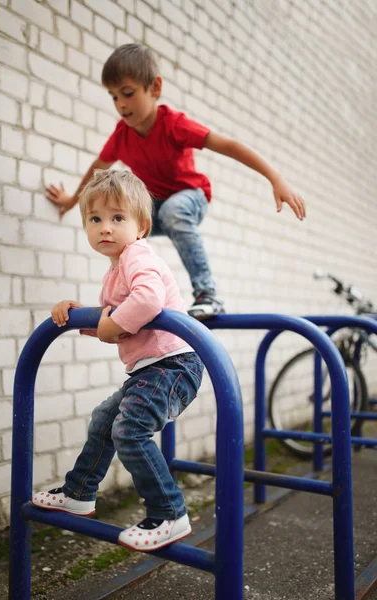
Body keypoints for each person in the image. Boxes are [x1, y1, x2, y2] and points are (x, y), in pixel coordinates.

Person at [46, 43, 306, 319]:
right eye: (113, 97)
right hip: (155, 209)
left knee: (173, 212)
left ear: (154, 88)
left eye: (128, 93)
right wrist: (72, 201)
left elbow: (228, 145)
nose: (120, 104)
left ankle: (208, 294)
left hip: (190, 196)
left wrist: (275, 178)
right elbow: (97, 170)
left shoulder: (174, 125)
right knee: (122, 226)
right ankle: (132, 294)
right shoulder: (122, 136)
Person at [33, 169, 204, 551]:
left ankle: (169, 512)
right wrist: (81, 316)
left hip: (174, 365)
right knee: (104, 422)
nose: (105, 228)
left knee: (129, 431)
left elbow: (147, 301)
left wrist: (109, 325)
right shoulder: (115, 271)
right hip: (150, 370)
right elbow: (117, 322)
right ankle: (79, 492)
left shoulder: (137, 255)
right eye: (95, 219)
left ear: (141, 226)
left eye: (117, 218)